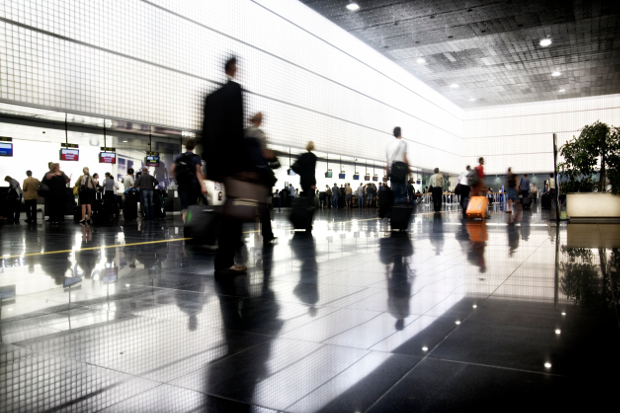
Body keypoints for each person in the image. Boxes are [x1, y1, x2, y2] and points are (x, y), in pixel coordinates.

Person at [202, 56, 253, 275]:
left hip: (214, 166)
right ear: (233, 68)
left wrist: (208, 165)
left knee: (223, 210)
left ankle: (222, 259)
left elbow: (205, 132)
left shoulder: (210, 98)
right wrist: (242, 166)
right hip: (231, 166)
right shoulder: (235, 92)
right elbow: (236, 132)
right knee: (233, 214)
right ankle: (225, 261)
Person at [244, 112, 277, 243]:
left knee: (241, 204)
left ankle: (236, 238)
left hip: (245, 174)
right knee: (263, 206)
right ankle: (267, 235)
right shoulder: (260, 134)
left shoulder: (245, 132)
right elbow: (265, 153)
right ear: (260, 121)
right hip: (260, 174)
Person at [171, 138, 207, 222]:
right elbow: (198, 173)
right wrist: (203, 186)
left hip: (182, 185)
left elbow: (172, 170)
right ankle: (191, 223)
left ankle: (186, 224)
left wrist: (177, 180)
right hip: (193, 185)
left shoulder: (179, 157)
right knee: (192, 205)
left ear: (185, 146)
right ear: (194, 147)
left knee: (184, 206)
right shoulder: (196, 158)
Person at [386, 127, 409, 204]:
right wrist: (410, 172)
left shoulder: (389, 145)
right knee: (402, 194)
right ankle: (402, 213)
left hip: (393, 171)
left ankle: (395, 213)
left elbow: (387, 163)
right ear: (400, 133)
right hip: (401, 170)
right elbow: (405, 159)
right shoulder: (403, 143)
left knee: (395, 194)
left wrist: (387, 175)